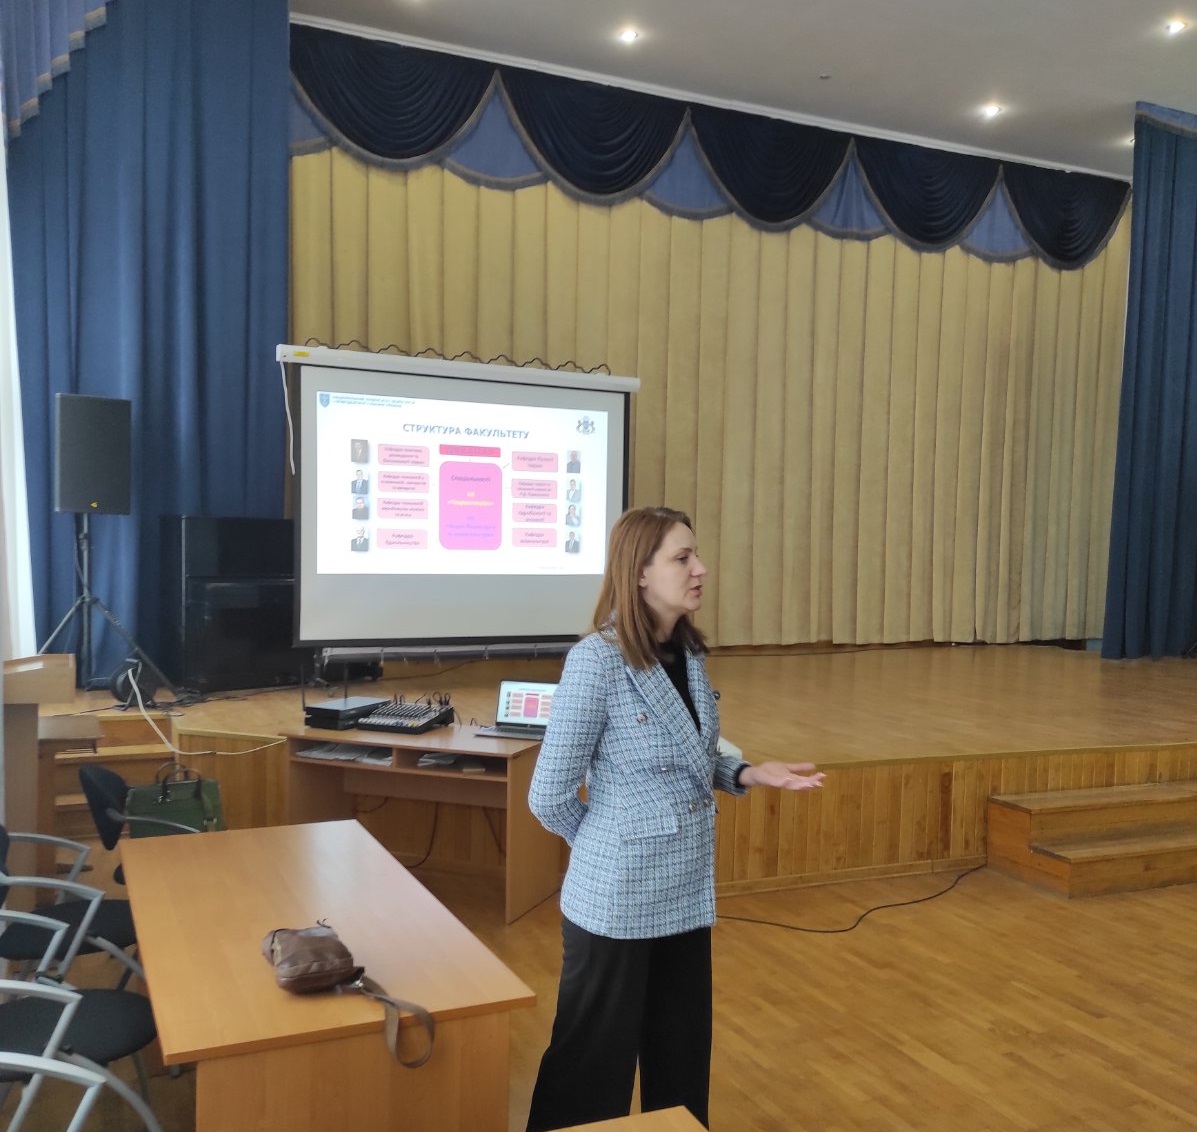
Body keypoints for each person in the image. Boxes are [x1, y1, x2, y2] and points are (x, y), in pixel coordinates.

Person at [526, 506, 824, 1131]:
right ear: (639, 573)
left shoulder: (687, 653)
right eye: (682, 558)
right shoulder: (596, 661)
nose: (701, 569)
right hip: (615, 901)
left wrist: (747, 773)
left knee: (681, 1056)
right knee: (590, 1069)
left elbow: (690, 756)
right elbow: (548, 795)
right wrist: (608, 847)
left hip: (685, 891)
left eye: (697, 555)